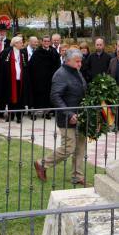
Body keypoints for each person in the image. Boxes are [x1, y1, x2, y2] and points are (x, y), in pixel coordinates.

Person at [34, 48, 87, 186]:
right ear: (68, 60)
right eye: (77, 61)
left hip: (80, 115)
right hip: (67, 117)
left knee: (80, 147)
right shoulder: (61, 74)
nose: (80, 64)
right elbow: (55, 96)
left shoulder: (76, 72)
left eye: (80, 61)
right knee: (68, 147)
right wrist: (70, 113)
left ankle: (77, 176)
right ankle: (42, 164)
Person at [0, 36, 28, 122]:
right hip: (9, 80)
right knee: (10, 98)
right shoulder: (7, 52)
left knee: (19, 99)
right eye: (21, 42)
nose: (22, 44)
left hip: (20, 79)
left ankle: (19, 116)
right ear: (15, 43)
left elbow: (25, 66)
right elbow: (2, 65)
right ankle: (11, 115)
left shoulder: (23, 53)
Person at [26, 35, 60, 114]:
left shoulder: (54, 52)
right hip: (39, 80)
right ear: (41, 42)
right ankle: (34, 112)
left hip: (50, 78)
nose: (46, 43)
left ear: (50, 42)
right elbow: (31, 66)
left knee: (48, 96)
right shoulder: (37, 52)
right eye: (45, 41)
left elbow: (57, 64)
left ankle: (47, 112)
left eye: (48, 41)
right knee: (38, 96)